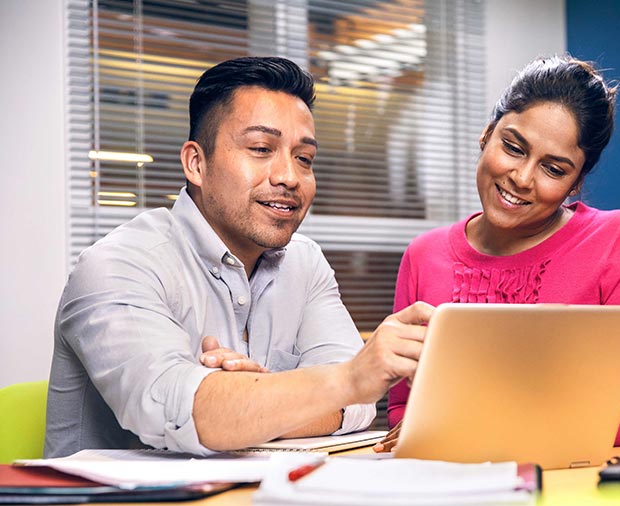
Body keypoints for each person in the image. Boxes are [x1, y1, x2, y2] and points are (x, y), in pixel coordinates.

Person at [44, 56, 433, 458]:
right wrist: (329, 386)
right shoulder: (117, 265)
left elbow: (357, 407)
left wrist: (249, 401)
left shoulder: (305, 261)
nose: (289, 177)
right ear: (197, 163)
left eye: (304, 159)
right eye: (262, 148)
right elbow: (183, 413)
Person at [375, 55, 620, 452]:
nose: (522, 177)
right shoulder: (423, 255)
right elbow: (402, 411)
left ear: (575, 184)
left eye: (553, 170)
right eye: (514, 148)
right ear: (486, 134)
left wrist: (464, 421)